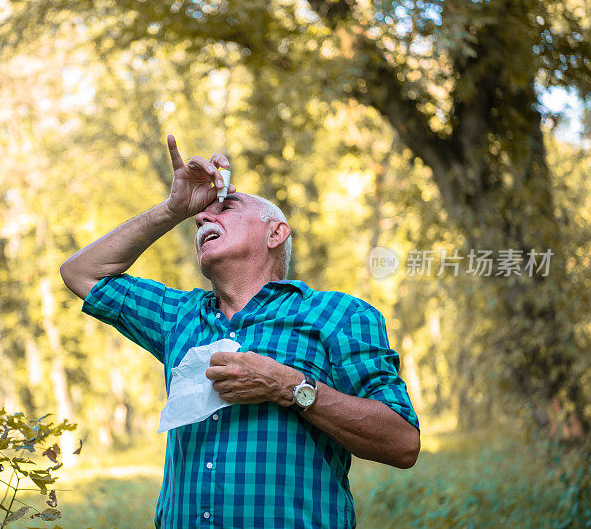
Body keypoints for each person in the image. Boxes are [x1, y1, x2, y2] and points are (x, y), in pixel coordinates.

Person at [60, 134, 420, 528]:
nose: (202, 219)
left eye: (227, 207)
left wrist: (288, 387)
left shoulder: (338, 315)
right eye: (199, 216)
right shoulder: (178, 316)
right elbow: (81, 272)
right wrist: (173, 209)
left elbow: (402, 442)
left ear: (275, 233)